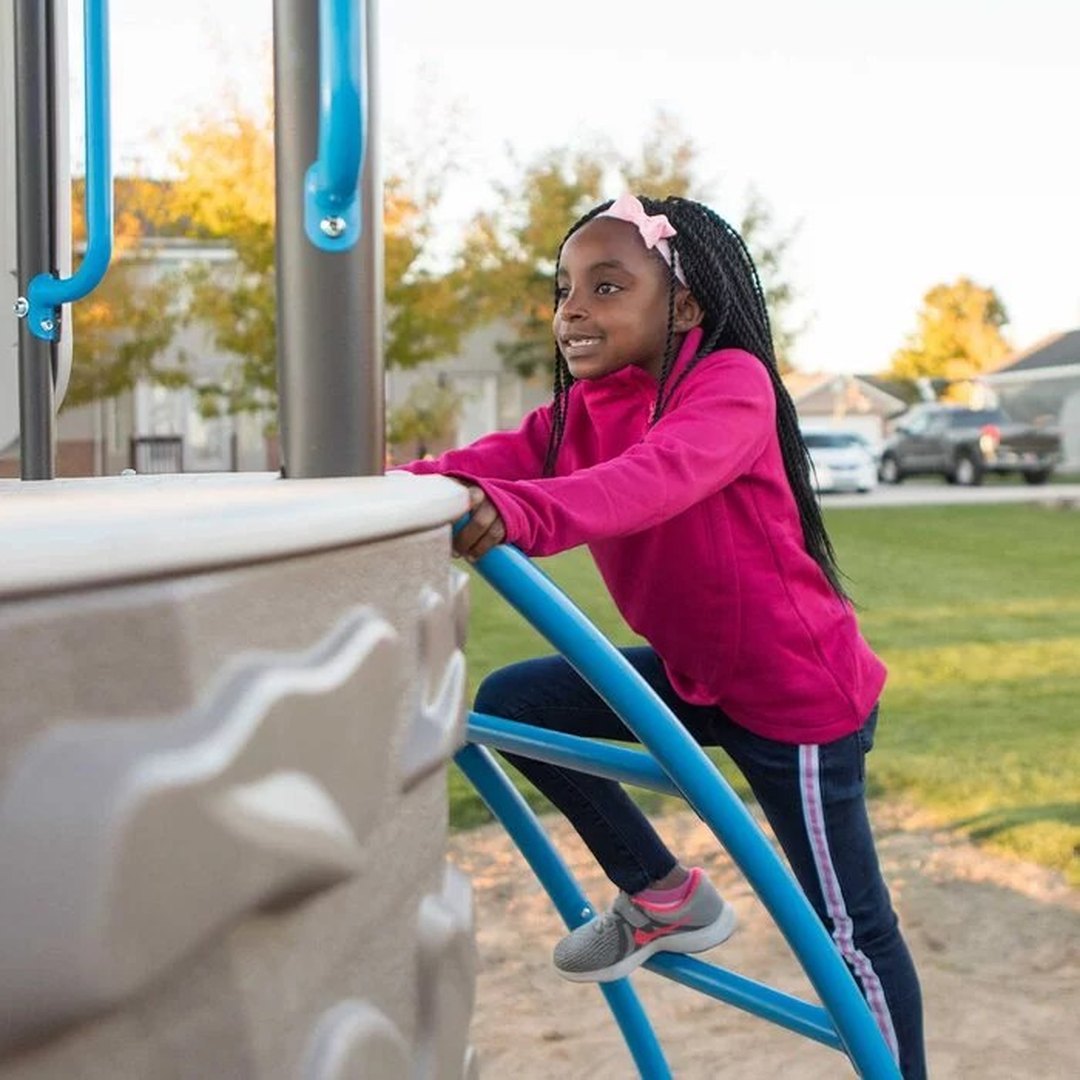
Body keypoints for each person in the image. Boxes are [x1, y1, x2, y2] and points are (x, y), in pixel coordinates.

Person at [401, 193, 926, 1078]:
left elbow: (658, 476)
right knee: (516, 703)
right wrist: (364, 495)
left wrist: (519, 511)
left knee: (847, 924)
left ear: (682, 306)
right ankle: (661, 893)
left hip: (793, 693)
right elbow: (470, 465)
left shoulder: (728, 385)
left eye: (608, 287)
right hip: (698, 673)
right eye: (566, 288)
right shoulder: (583, 409)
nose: (574, 309)